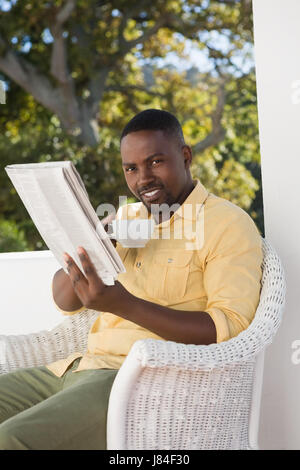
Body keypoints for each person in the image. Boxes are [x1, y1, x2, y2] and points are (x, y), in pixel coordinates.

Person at [0, 109, 263, 450]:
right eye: (131, 168)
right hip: (75, 367)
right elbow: (65, 300)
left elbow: (227, 329)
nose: (143, 179)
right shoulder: (126, 216)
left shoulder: (226, 224)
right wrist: (91, 244)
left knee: (10, 438)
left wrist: (122, 305)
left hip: (138, 383)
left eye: (155, 162)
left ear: (185, 157)